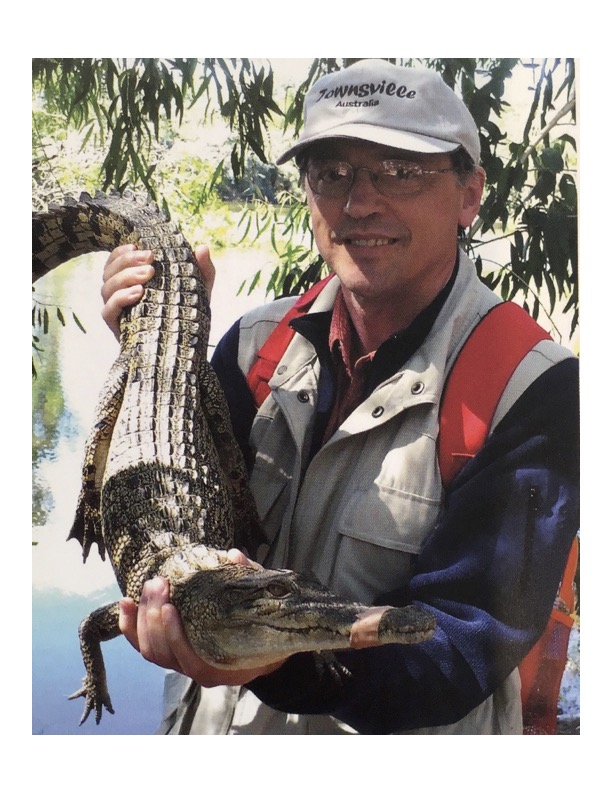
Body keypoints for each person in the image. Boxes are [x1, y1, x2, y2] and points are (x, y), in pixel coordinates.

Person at [101, 59, 579, 734]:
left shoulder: (532, 388)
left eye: (400, 171)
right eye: (332, 173)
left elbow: (463, 644)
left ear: (469, 194)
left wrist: (274, 663)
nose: (359, 203)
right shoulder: (253, 344)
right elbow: (171, 522)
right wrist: (156, 361)